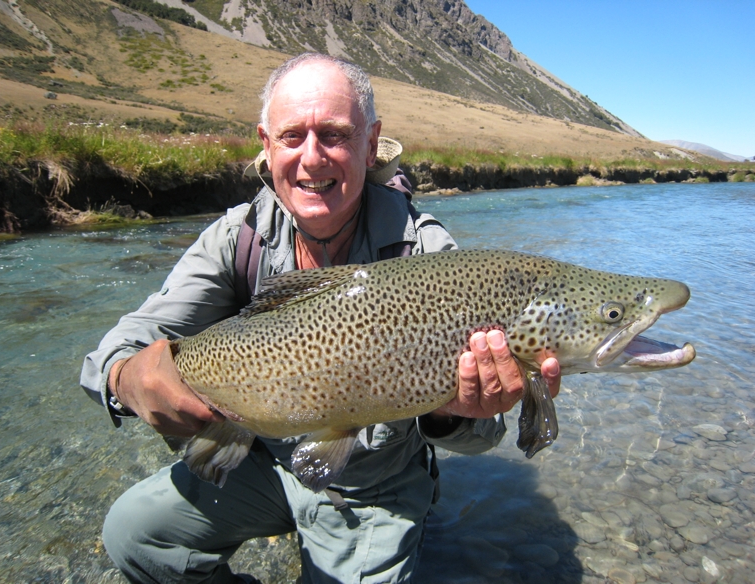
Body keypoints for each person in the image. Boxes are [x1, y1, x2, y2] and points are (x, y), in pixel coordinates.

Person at [80, 52, 561, 584]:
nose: (312, 159)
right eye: (292, 137)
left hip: (372, 486)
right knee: (135, 534)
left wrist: (453, 414)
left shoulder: (429, 253)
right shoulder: (235, 240)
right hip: (262, 459)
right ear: (266, 144)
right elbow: (116, 351)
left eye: (334, 135)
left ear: (371, 143)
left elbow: (482, 434)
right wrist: (129, 378)